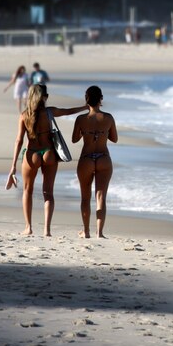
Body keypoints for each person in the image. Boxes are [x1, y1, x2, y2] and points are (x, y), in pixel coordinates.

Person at [6, 84, 87, 236]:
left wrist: (13, 166)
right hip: (49, 153)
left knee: (27, 191)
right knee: (48, 193)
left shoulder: (24, 116)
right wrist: (85, 107)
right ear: (44, 97)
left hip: (32, 154)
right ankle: (47, 230)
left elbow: (19, 141)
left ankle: (28, 227)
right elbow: (68, 111)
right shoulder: (49, 112)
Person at [72, 85, 118, 239]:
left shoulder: (81, 119)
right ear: (101, 99)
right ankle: (100, 232)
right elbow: (114, 139)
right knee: (101, 196)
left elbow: (74, 139)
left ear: (86, 100)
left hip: (86, 158)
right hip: (103, 158)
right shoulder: (109, 118)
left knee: (85, 197)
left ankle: (85, 231)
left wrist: (86, 132)